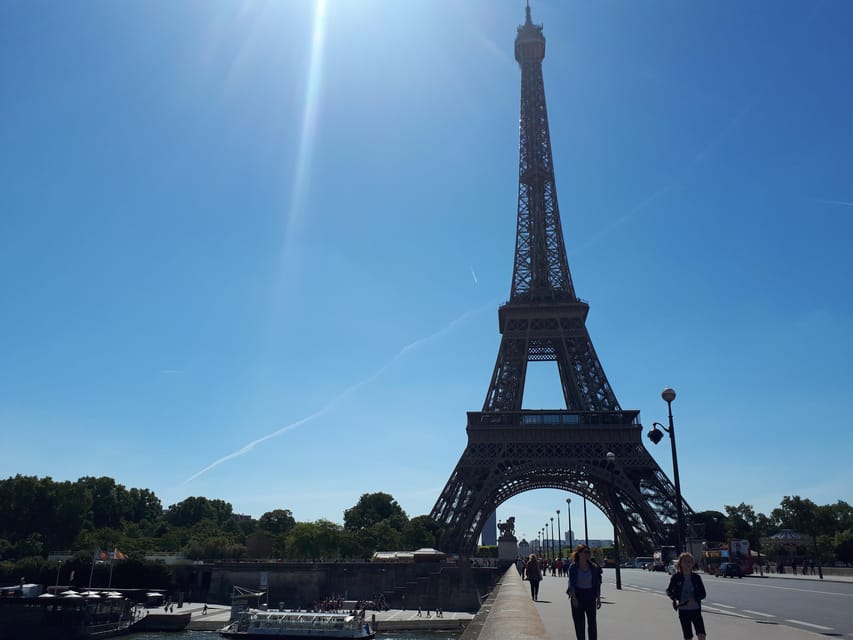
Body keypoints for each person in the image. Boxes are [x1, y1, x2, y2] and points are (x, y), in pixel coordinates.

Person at [666, 552, 707, 640]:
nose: (687, 564)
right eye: (685, 561)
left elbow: (703, 593)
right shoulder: (676, 577)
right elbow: (669, 590)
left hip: (696, 610)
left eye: (690, 562)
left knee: (701, 634)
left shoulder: (696, 577)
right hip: (683, 610)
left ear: (692, 564)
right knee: (688, 636)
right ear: (680, 563)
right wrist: (675, 599)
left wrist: (696, 599)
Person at [567, 544, 602, 640]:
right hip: (578, 595)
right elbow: (571, 583)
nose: (587, 554)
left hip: (590, 596)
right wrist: (573, 597)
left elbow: (596, 584)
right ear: (579, 553)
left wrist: (598, 598)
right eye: (585, 552)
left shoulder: (593, 567)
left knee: (592, 623)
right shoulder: (573, 567)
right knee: (579, 624)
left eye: (588, 552)